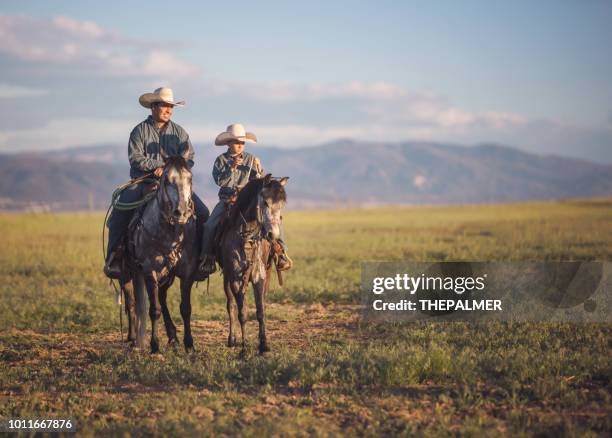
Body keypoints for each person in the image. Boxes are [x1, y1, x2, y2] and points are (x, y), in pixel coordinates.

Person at [104, 87, 209, 279]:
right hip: (144, 181)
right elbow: (135, 158)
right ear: (153, 107)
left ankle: (201, 259)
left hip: (174, 184)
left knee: (203, 212)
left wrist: (171, 169)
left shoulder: (180, 133)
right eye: (165, 106)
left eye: (171, 106)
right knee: (119, 211)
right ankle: (114, 258)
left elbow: (189, 158)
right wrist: (157, 166)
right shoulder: (139, 131)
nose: (169, 110)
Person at [198, 123, 292, 275]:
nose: (240, 145)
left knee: (272, 219)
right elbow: (219, 181)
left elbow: (261, 183)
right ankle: (207, 257)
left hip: (248, 202)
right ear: (228, 143)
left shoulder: (252, 159)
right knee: (209, 225)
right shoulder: (220, 160)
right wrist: (232, 168)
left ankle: (281, 253)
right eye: (236, 142)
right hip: (227, 201)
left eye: (242, 142)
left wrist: (260, 170)